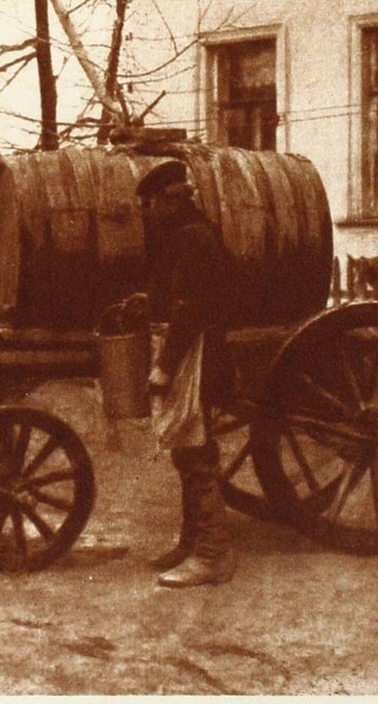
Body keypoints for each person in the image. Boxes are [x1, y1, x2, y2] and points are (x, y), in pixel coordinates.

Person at [136, 158, 236, 588]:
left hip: (198, 355)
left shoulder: (194, 239)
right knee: (186, 447)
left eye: (153, 204)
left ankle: (213, 554)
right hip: (193, 349)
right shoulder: (185, 236)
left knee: (195, 450)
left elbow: (191, 308)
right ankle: (192, 540)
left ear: (169, 200)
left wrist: (164, 365)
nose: (149, 213)